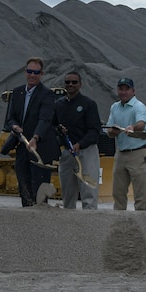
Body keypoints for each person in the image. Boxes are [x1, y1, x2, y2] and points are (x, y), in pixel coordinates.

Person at [3, 57, 58, 207]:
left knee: (39, 190)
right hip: (21, 148)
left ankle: (41, 221)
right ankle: (27, 220)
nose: (32, 75)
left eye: (36, 72)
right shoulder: (17, 92)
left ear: (42, 74)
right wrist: (14, 126)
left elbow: (45, 119)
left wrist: (35, 137)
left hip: (40, 149)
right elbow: (10, 118)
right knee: (24, 187)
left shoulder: (47, 94)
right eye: (29, 71)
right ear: (25, 72)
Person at [53, 71, 100, 209]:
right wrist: (59, 131)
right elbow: (52, 125)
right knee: (67, 193)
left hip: (86, 152)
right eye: (68, 82)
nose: (70, 85)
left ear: (80, 84)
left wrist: (80, 144)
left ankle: (89, 223)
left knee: (88, 192)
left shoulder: (89, 104)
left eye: (74, 82)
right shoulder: (58, 105)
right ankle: (69, 224)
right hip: (67, 153)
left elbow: (95, 131)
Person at [105, 77, 146, 210]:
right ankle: (119, 223)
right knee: (118, 193)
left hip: (138, 153)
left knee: (139, 195)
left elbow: (141, 124)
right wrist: (113, 131)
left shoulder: (139, 106)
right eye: (121, 89)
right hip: (120, 153)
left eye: (127, 89)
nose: (123, 92)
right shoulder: (114, 107)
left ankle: (141, 223)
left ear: (133, 91)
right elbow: (109, 131)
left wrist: (133, 128)